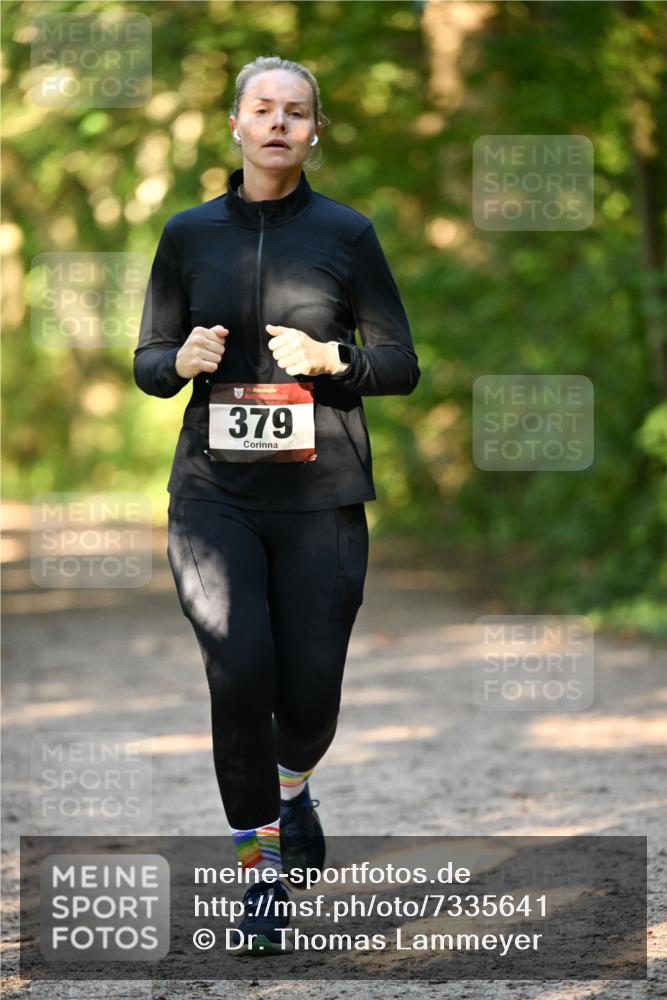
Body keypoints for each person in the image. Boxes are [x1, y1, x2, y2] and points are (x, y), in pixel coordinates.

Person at [134, 54, 420, 955]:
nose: (278, 124)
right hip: (212, 497)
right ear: (234, 124)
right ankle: (257, 873)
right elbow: (147, 362)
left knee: (308, 696)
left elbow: (403, 364)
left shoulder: (347, 233)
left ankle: (294, 789)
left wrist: (334, 361)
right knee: (237, 670)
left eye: (297, 112)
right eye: (263, 108)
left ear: (314, 133)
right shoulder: (187, 235)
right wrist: (176, 362)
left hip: (321, 497)